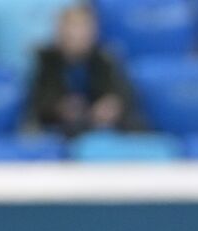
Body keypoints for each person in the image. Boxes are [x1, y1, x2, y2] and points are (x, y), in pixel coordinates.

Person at [29, 4, 131, 138]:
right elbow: (38, 103)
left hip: (101, 129)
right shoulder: (46, 61)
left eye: (84, 27)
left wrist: (110, 106)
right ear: (60, 30)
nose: (78, 34)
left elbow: (121, 95)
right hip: (58, 129)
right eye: (72, 27)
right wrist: (60, 107)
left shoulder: (105, 58)